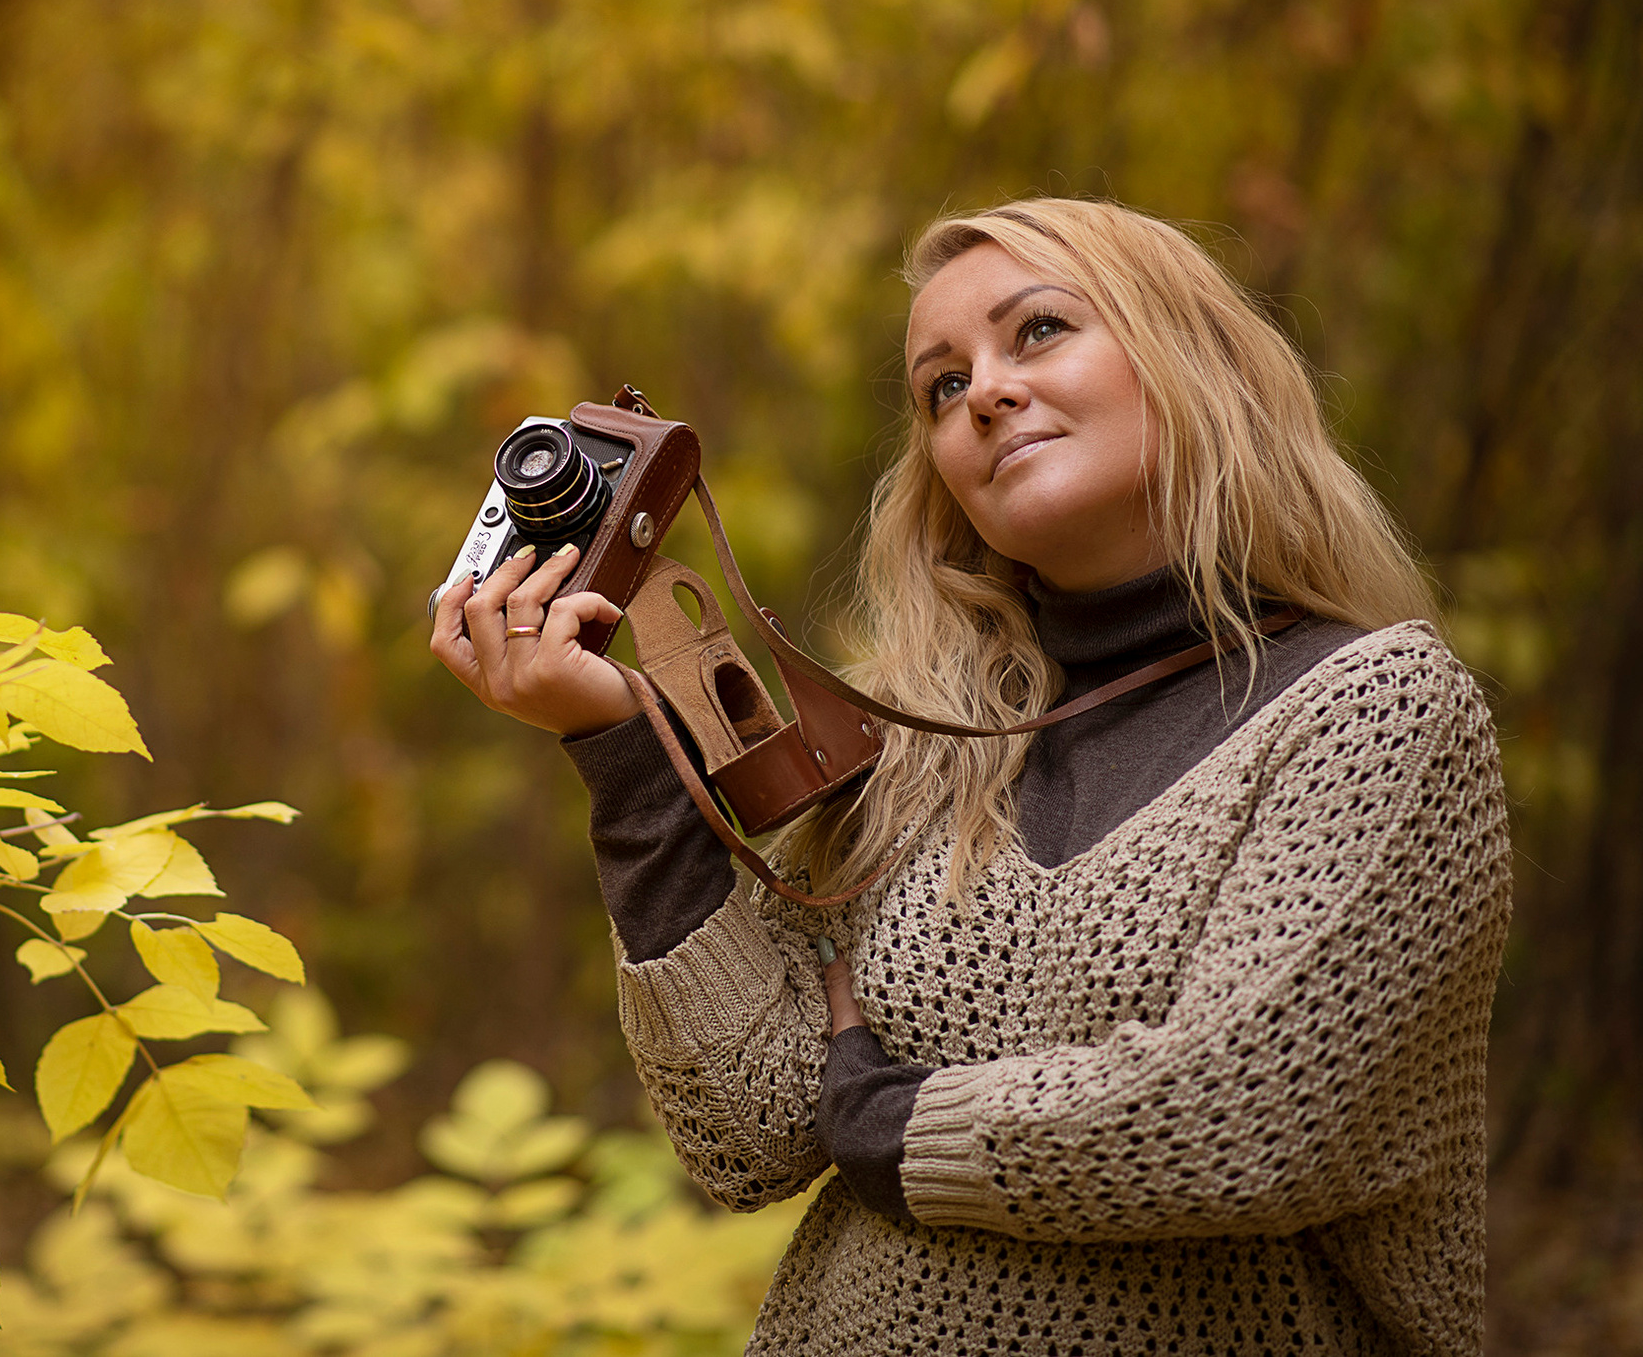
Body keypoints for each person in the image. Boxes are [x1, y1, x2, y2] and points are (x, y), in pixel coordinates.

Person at [427, 199, 1509, 1356]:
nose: (985, 390)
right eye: (943, 384)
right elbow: (757, 1132)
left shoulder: (1376, 705)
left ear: (1193, 360)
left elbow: (1245, 1114)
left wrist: (894, 1126)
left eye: (1038, 331)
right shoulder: (929, 744)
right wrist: (621, 750)